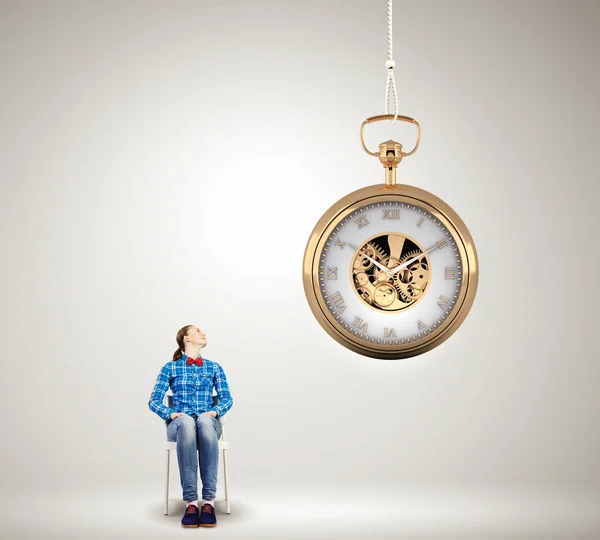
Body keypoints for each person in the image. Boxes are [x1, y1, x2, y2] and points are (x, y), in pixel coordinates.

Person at [148, 325, 233, 528]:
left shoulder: (214, 367)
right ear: (186, 338)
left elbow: (227, 399)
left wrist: (215, 411)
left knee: (203, 421)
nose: (203, 333)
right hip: (180, 425)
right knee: (186, 421)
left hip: (207, 423)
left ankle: (208, 503)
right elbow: (153, 400)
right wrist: (170, 413)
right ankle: (192, 503)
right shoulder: (169, 368)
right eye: (198, 331)